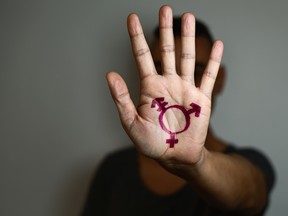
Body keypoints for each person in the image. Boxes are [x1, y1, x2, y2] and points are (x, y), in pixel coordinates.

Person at [82, 5, 275, 216]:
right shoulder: (114, 168)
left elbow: (248, 194)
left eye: (196, 72)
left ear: (219, 79)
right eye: (161, 71)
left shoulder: (250, 162)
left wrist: (197, 164)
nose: (180, 88)